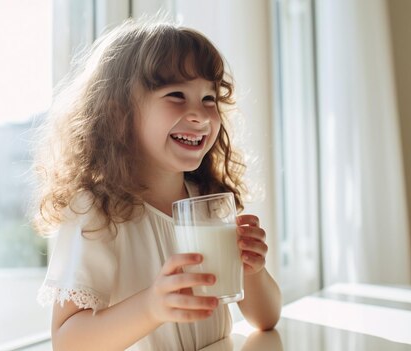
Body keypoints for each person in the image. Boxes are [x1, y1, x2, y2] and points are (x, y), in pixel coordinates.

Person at [33, 17, 281, 351]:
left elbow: (266, 319)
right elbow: (67, 341)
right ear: (119, 115)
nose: (201, 115)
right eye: (177, 95)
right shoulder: (96, 213)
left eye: (209, 98)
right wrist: (152, 306)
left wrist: (253, 270)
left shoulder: (210, 200)